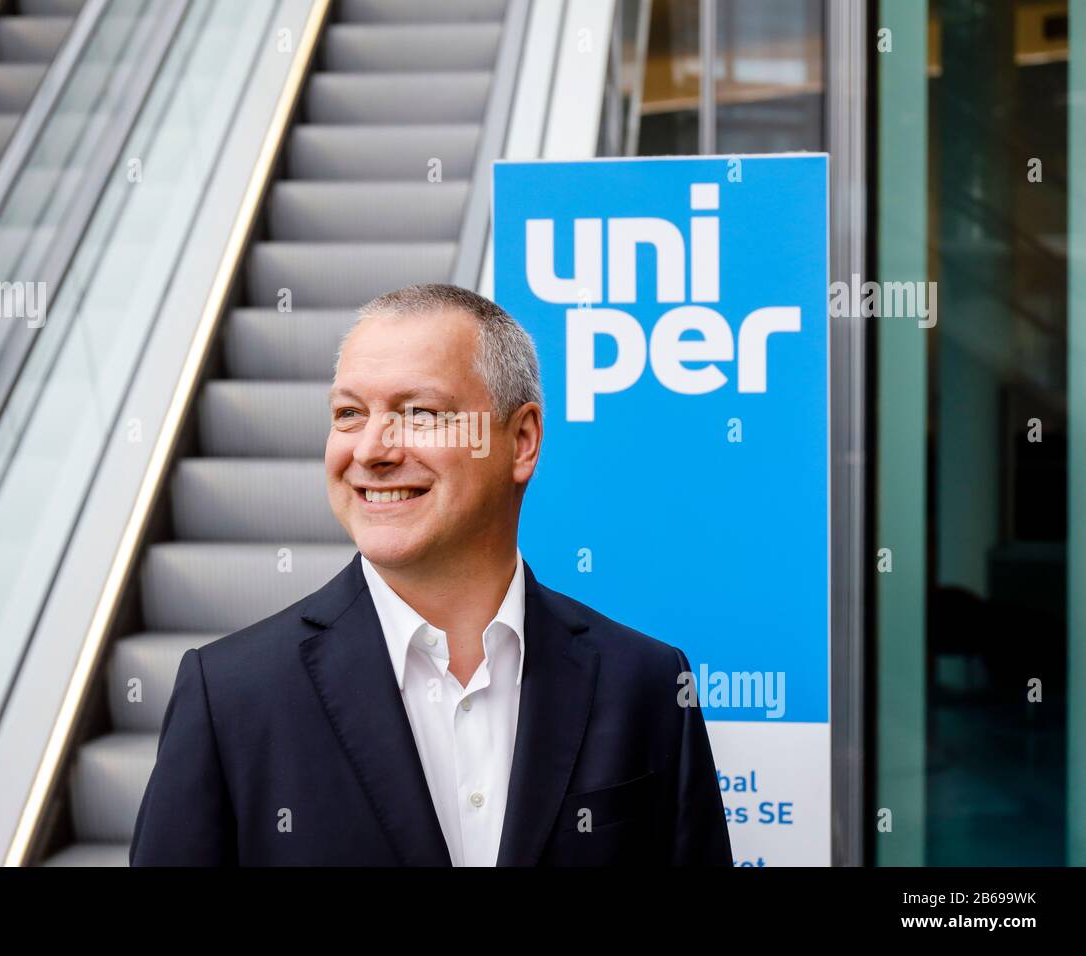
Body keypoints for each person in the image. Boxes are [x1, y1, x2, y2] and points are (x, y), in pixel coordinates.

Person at [130, 283, 732, 866]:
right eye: (348, 413)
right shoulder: (231, 695)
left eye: (419, 413)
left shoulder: (647, 683)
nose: (371, 450)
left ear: (521, 441)